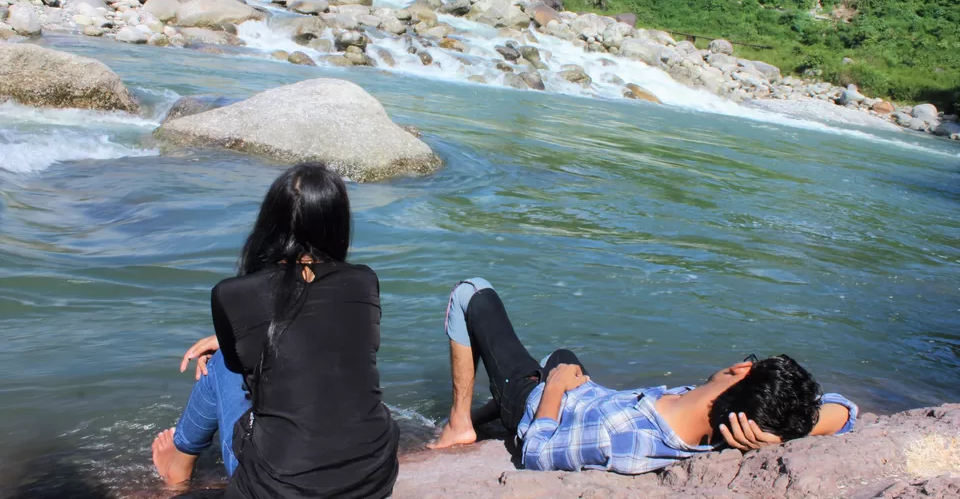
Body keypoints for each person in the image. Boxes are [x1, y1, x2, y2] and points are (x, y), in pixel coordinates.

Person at [428, 278, 858, 474]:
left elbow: (538, 453)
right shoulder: (724, 418)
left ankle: (461, 423)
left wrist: (554, 390)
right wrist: (781, 437)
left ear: (739, 370)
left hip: (539, 405)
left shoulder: (625, 439)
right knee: (563, 354)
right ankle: (492, 411)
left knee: (472, 294)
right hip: (593, 397)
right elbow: (844, 411)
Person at [150, 162, 399, 498]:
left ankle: (178, 462)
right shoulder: (364, 281)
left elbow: (242, 369)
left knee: (220, 363)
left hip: (278, 490)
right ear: (337, 224)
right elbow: (319, 330)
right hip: (373, 477)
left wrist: (225, 345)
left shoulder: (231, 293)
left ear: (269, 222)